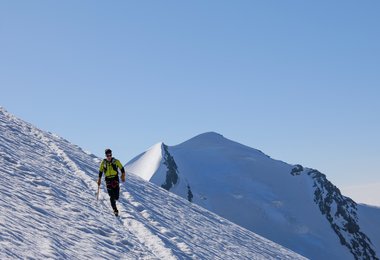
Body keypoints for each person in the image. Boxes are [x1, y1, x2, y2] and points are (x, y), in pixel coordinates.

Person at [97, 148, 126, 216]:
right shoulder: (103, 163)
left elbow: (122, 168)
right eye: (107, 155)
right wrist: (99, 179)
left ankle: (114, 201)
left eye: (110, 155)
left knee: (116, 196)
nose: (109, 157)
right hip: (108, 180)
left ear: (111, 154)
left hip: (115, 179)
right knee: (111, 195)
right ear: (105, 155)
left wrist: (123, 175)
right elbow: (100, 171)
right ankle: (115, 210)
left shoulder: (116, 161)